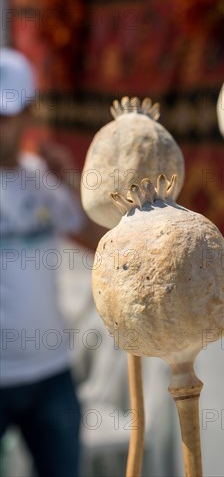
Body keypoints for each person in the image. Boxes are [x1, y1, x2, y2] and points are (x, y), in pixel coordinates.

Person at [0, 48, 100, 477]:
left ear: (29, 113)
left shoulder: (42, 177)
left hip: (51, 374)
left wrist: (73, 183)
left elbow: (102, 242)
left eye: (5, 115)